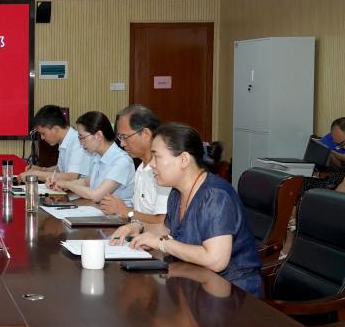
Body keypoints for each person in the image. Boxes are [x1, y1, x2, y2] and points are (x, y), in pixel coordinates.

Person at [121, 123, 264, 298]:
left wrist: (161, 244)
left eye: (156, 157)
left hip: (233, 293)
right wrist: (138, 227)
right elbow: (166, 229)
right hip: (197, 283)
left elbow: (216, 260)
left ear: (184, 160)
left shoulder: (214, 196)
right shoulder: (177, 192)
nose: (151, 165)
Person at [99, 105, 168, 227]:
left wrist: (125, 211)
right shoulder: (141, 168)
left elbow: (163, 222)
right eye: (120, 137)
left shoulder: (164, 170)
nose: (122, 143)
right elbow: (139, 212)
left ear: (146, 134)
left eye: (125, 137)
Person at [54, 111, 135, 204]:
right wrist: (61, 184)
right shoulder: (96, 155)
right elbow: (87, 182)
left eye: (82, 137)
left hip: (116, 212)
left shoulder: (122, 161)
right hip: (97, 209)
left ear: (98, 135)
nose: (81, 143)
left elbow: (96, 195)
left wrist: (67, 184)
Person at [18, 104, 89, 185]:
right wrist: (42, 169)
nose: (42, 138)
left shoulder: (78, 141)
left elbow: (71, 177)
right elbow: (61, 170)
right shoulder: (65, 140)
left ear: (55, 129)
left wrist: (35, 174)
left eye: (43, 133)